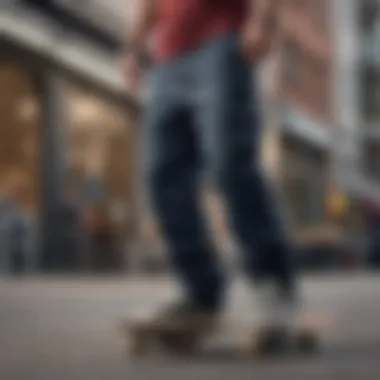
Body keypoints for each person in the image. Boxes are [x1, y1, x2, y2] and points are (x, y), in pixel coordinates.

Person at [124, 0, 298, 333]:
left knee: (229, 163)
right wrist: (133, 49)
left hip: (222, 42)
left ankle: (273, 281)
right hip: (167, 57)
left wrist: (264, 19)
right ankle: (201, 291)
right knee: (162, 174)